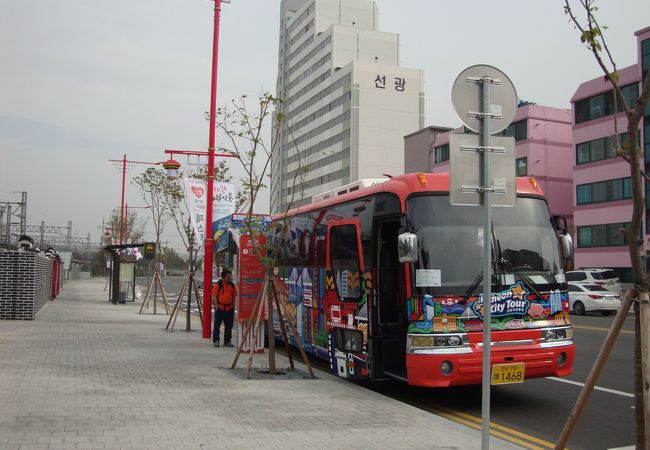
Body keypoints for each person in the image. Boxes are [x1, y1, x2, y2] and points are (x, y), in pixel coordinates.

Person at [212, 269, 237, 347]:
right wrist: (216, 306)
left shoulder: (232, 285)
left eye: (230, 276)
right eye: (228, 277)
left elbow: (234, 296)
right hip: (220, 308)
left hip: (229, 308)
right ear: (223, 277)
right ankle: (216, 340)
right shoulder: (218, 285)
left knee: (229, 325)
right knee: (217, 325)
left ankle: (227, 341)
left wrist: (233, 305)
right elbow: (214, 297)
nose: (230, 278)